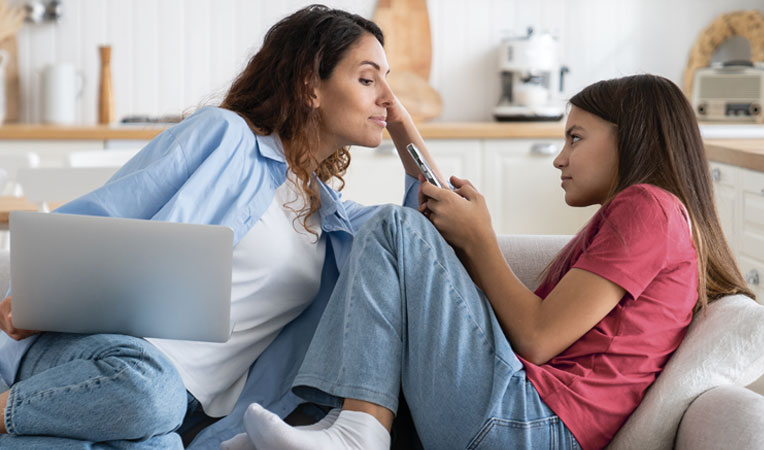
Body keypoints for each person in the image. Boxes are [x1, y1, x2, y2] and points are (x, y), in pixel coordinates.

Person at [224, 74, 756, 450]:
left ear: (633, 138)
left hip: (530, 427)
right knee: (404, 232)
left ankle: (353, 430)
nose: (559, 156)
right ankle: (332, 427)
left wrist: (482, 242)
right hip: (524, 417)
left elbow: (538, 337)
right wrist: (403, 126)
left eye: (575, 137)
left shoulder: (649, 208)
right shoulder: (642, 217)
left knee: (394, 226)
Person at [0, 5, 444, 449]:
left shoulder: (335, 220)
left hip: (187, 412)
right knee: (152, 392)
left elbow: (422, 231)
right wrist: (42, 293)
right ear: (311, 84)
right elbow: (110, 213)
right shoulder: (226, 136)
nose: (388, 96)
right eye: (368, 79)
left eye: (389, 80)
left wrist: (404, 128)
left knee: (159, 443)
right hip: (104, 359)